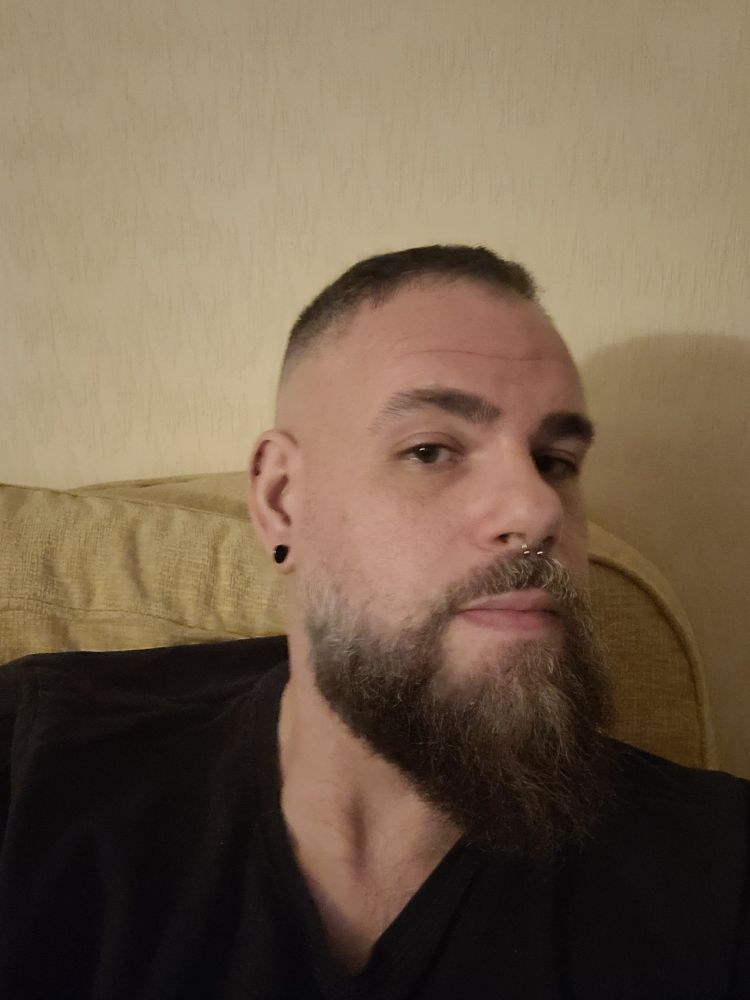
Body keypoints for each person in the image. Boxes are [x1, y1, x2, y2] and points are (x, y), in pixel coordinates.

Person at [0, 245, 747, 999]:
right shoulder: (35, 763)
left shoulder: (717, 873)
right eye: (430, 450)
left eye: (555, 461)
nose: (538, 509)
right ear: (281, 501)